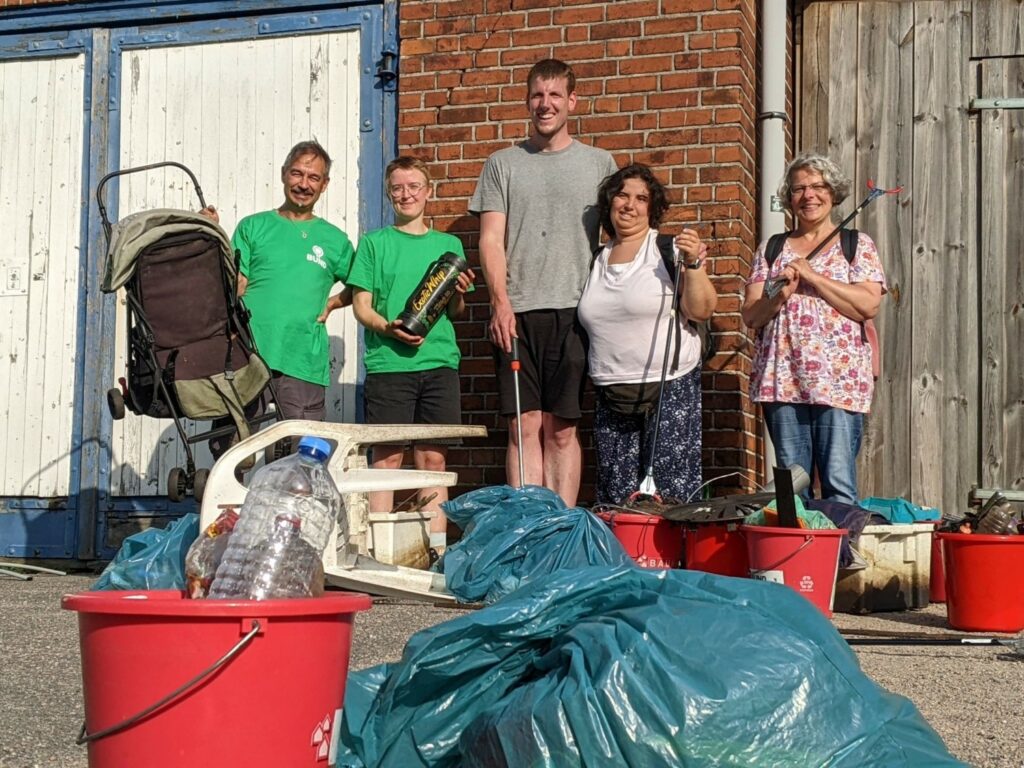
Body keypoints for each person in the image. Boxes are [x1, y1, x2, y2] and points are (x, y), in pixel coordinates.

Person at [469, 58, 618, 506]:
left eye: (555, 95)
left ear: (572, 101)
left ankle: (559, 526)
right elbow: (491, 239)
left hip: (575, 312)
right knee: (522, 424)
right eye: (537, 95)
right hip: (517, 313)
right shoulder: (502, 164)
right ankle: (528, 526)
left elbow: (620, 238)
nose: (545, 104)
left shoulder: (599, 164)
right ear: (527, 100)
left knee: (563, 428)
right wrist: (499, 302)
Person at [742, 152, 887, 503]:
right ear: (789, 198)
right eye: (798, 189)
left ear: (832, 192)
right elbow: (751, 315)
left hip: (838, 382)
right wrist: (779, 295)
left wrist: (813, 276)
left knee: (838, 482)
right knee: (792, 487)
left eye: (817, 186)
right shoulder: (773, 248)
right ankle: (797, 556)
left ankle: (839, 554)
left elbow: (867, 304)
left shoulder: (857, 245)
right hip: (783, 381)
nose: (808, 195)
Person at [347, 157, 474, 557]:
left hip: (439, 365)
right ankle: (377, 551)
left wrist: (459, 295)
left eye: (414, 186)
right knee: (387, 460)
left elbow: (455, 314)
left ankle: (432, 551)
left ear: (428, 191)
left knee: (433, 460)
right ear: (389, 194)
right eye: (398, 188)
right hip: (390, 364)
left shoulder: (448, 247)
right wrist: (388, 328)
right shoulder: (374, 244)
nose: (407, 194)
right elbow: (361, 307)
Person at [577, 164, 717, 503]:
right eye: (622, 195)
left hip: (669, 388)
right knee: (615, 498)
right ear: (609, 202)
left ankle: (669, 559)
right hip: (612, 394)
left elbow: (701, 309)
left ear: (652, 209)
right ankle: (624, 557)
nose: (630, 205)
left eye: (641, 198)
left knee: (669, 497)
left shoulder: (666, 251)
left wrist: (694, 264)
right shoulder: (596, 258)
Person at [232, 140, 356, 423]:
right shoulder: (253, 226)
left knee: (298, 454)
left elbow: (362, 285)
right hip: (247, 355)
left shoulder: (335, 240)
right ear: (283, 174)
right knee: (233, 450)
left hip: (303, 359)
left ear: (324, 184)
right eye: (297, 173)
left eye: (314, 177)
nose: (304, 184)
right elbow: (234, 284)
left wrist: (334, 303)